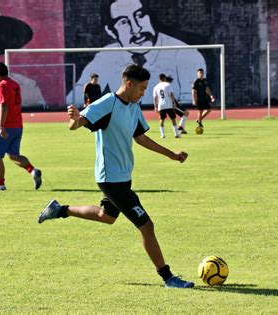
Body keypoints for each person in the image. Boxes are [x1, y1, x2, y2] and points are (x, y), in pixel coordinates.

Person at [39, 64, 194, 289]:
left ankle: (59, 210)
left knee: (107, 216)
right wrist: (73, 118)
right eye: (141, 88)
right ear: (129, 84)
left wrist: (171, 154)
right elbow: (78, 124)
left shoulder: (133, 106)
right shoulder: (107, 103)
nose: (143, 93)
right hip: (110, 178)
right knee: (147, 226)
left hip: (123, 176)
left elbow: (140, 138)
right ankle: (168, 277)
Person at [66, 0, 206, 106]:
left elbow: (188, 104)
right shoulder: (106, 57)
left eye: (139, 16)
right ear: (110, 31)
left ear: (150, 16)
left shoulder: (186, 54)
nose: (136, 29)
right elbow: (73, 98)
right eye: (123, 22)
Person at [0, 62, 42, 192]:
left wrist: (1, 126)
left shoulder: (1, 86)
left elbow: (4, 105)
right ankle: (33, 171)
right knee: (13, 155)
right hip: (17, 125)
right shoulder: (14, 84)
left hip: (6, 126)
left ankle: (0, 184)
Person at [153, 73, 180, 138]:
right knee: (173, 119)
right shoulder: (168, 85)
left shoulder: (156, 87)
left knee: (162, 119)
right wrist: (174, 102)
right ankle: (176, 134)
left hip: (161, 105)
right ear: (165, 78)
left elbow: (155, 98)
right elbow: (171, 94)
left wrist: (155, 106)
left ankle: (162, 135)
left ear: (159, 79)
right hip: (168, 104)